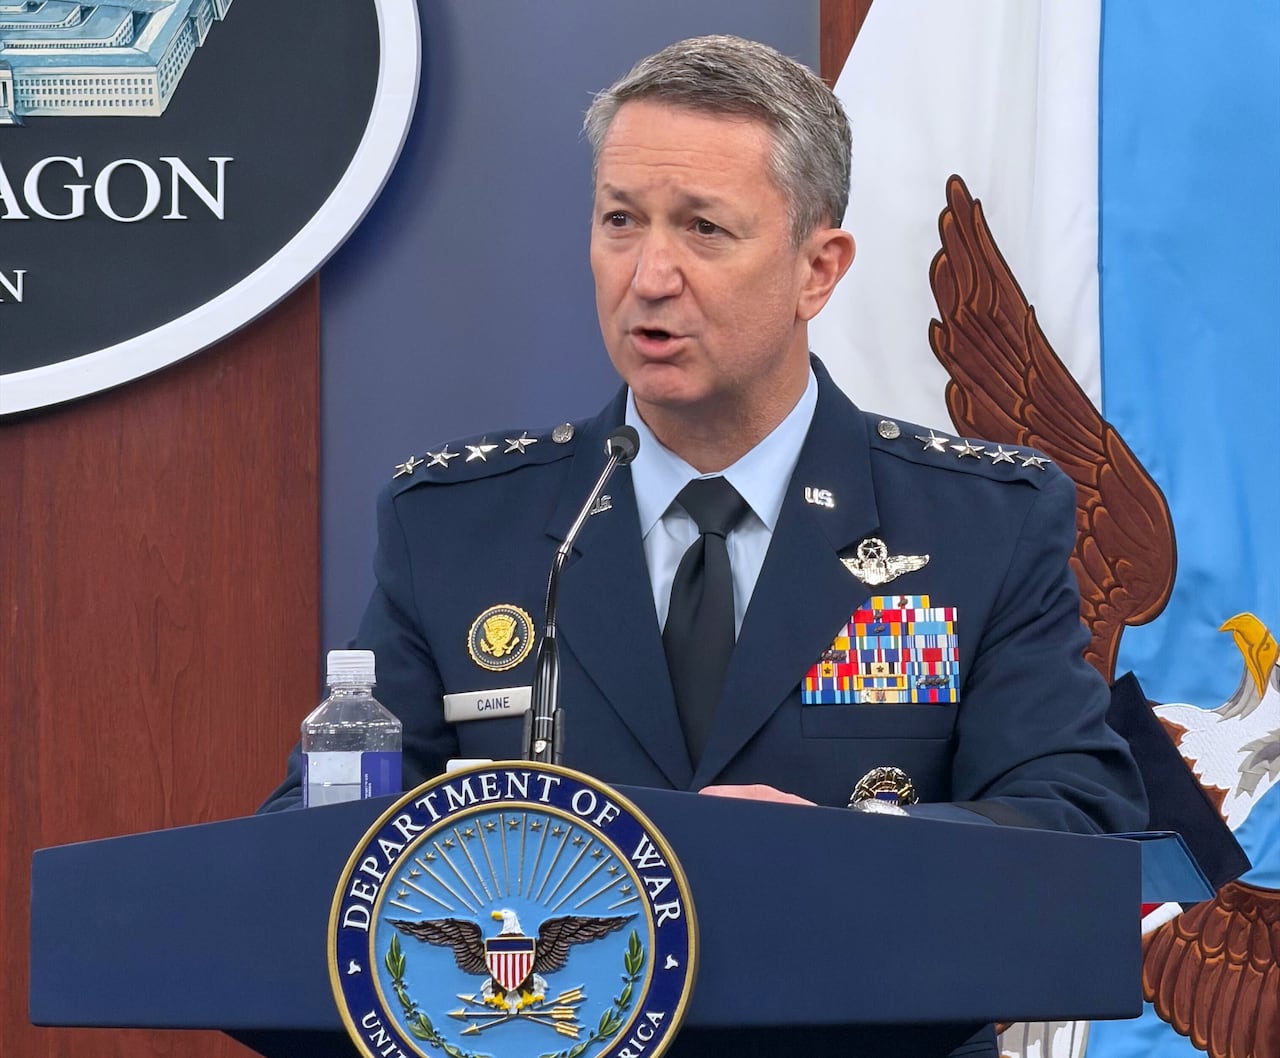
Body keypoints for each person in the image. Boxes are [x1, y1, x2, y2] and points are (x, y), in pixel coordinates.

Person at [263, 35, 1146, 1057]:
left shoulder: (978, 520)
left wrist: (848, 851)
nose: (649, 275)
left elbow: (1081, 828)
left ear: (818, 268)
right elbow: (324, 842)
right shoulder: (458, 524)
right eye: (619, 222)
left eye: (703, 229)